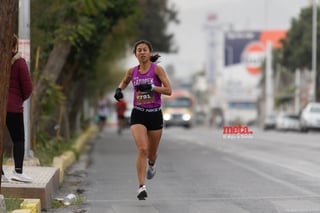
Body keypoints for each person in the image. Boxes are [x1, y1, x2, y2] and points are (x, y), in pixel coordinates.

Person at [114, 40, 172, 200]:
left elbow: (168, 90)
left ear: (150, 53)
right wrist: (119, 90)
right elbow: (124, 82)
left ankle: (152, 165)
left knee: (151, 154)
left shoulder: (157, 70)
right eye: (139, 50)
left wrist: (152, 88)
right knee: (142, 149)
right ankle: (141, 187)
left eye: (145, 50)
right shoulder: (132, 71)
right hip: (138, 113)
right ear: (135, 54)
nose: (142, 52)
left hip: (154, 114)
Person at [1, 34, 33, 183]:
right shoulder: (19, 63)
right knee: (18, 139)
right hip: (13, 108)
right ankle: (18, 172)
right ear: (15, 45)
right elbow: (28, 87)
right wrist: (19, 99)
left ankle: (1, 174)